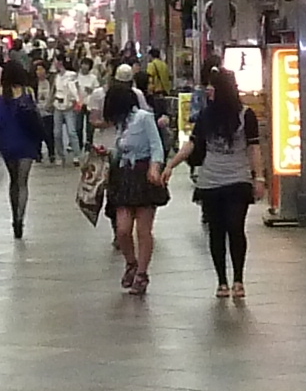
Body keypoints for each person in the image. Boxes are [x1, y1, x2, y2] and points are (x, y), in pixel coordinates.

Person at [187, 65, 264, 301]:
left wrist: (258, 177)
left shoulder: (245, 115)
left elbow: (254, 148)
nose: (208, 90)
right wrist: (170, 164)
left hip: (238, 179)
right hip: (210, 180)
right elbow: (192, 144)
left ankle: (238, 279)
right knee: (217, 231)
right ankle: (222, 280)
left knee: (235, 227)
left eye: (212, 86)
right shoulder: (205, 116)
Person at [103, 77, 169, 295]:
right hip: (123, 175)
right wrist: (109, 154)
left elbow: (156, 146)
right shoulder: (121, 124)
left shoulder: (144, 118)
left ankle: (141, 273)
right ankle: (131, 262)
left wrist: (154, 168)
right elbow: (121, 149)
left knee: (143, 230)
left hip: (143, 175)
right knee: (122, 229)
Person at [0, 62, 50, 238]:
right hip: (26, 140)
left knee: (13, 181)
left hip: (7, 140)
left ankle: (14, 217)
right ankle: (20, 218)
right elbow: (34, 115)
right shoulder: (28, 92)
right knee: (23, 182)